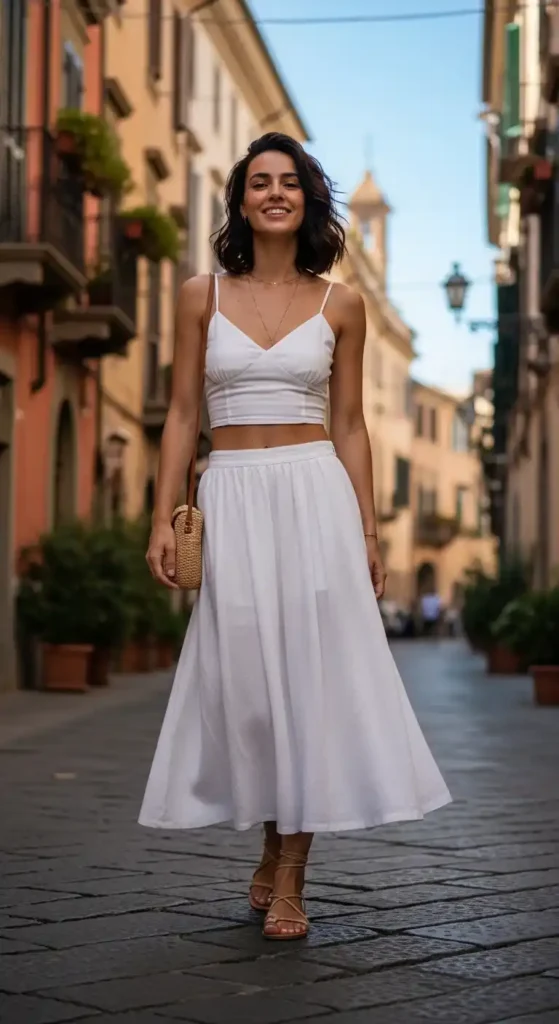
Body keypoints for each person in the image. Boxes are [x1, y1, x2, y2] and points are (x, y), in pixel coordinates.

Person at [140, 133, 451, 941]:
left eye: (288, 183)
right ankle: (270, 841)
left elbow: (349, 426)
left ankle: (290, 875)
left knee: (306, 683)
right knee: (248, 689)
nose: (273, 193)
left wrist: (370, 529)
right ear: (240, 200)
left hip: (315, 494)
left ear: (308, 200)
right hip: (232, 495)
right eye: (258, 183)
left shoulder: (339, 303)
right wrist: (162, 516)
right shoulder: (196, 295)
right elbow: (180, 415)